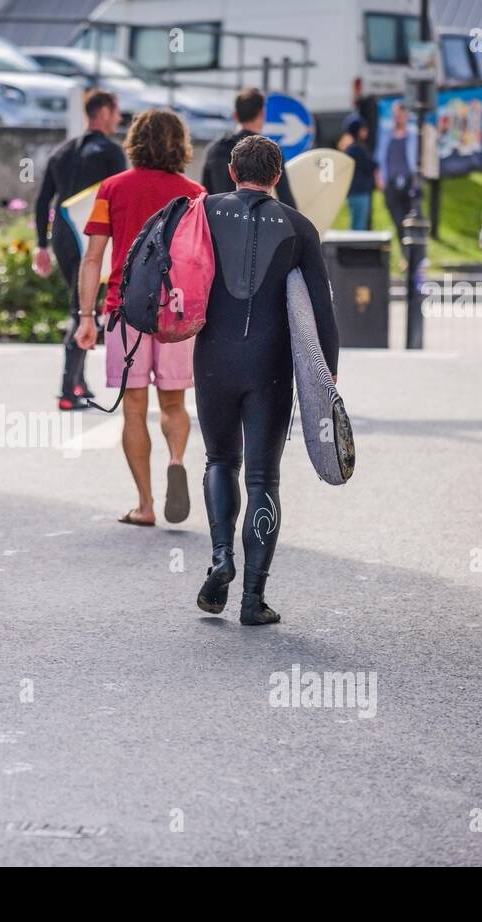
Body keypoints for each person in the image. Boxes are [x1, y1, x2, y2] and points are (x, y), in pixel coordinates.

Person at [194, 135, 339, 625]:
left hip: (213, 355)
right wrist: (327, 382)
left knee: (219, 459)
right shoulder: (299, 228)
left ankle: (220, 558)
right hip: (269, 365)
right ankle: (253, 601)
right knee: (262, 477)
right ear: (278, 176)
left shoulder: (205, 211)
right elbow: (322, 311)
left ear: (232, 172)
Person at [75, 109, 204, 527]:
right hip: (175, 312)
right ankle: (178, 458)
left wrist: (85, 315)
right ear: (180, 145)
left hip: (125, 310)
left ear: (134, 142)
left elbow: (93, 256)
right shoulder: (195, 194)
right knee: (174, 403)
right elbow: (202, 261)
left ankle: (146, 505)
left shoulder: (112, 188)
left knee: (134, 407)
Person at [33, 89, 126, 411]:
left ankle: (80, 382)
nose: (119, 119)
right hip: (92, 237)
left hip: (62, 235)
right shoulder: (111, 153)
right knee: (82, 308)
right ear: (102, 112)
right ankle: (66, 392)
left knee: (79, 302)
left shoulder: (62, 151)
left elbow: (43, 199)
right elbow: (121, 198)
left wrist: (41, 246)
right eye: (116, 113)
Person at [202, 87, 297, 206]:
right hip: (255, 221)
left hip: (218, 220)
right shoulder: (271, 151)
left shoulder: (215, 149)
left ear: (235, 115)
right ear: (262, 114)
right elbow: (286, 199)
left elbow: (204, 195)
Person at [376, 100, 417, 261]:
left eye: (401, 115)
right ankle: (405, 253)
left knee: (410, 220)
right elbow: (380, 158)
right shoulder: (387, 136)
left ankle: (411, 255)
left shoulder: (413, 135)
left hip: (408, 183)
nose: (398, 118)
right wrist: (380, 177)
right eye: (396, 115)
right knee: (398, 220)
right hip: (391, 183)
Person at [343, 115, 377, 231]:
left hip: (354, 192)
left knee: (359, 222)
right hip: (360, 193)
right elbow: (371, 165)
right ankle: (355, 248)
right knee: (359, 225)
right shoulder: (356, 149)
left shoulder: (350, 149)